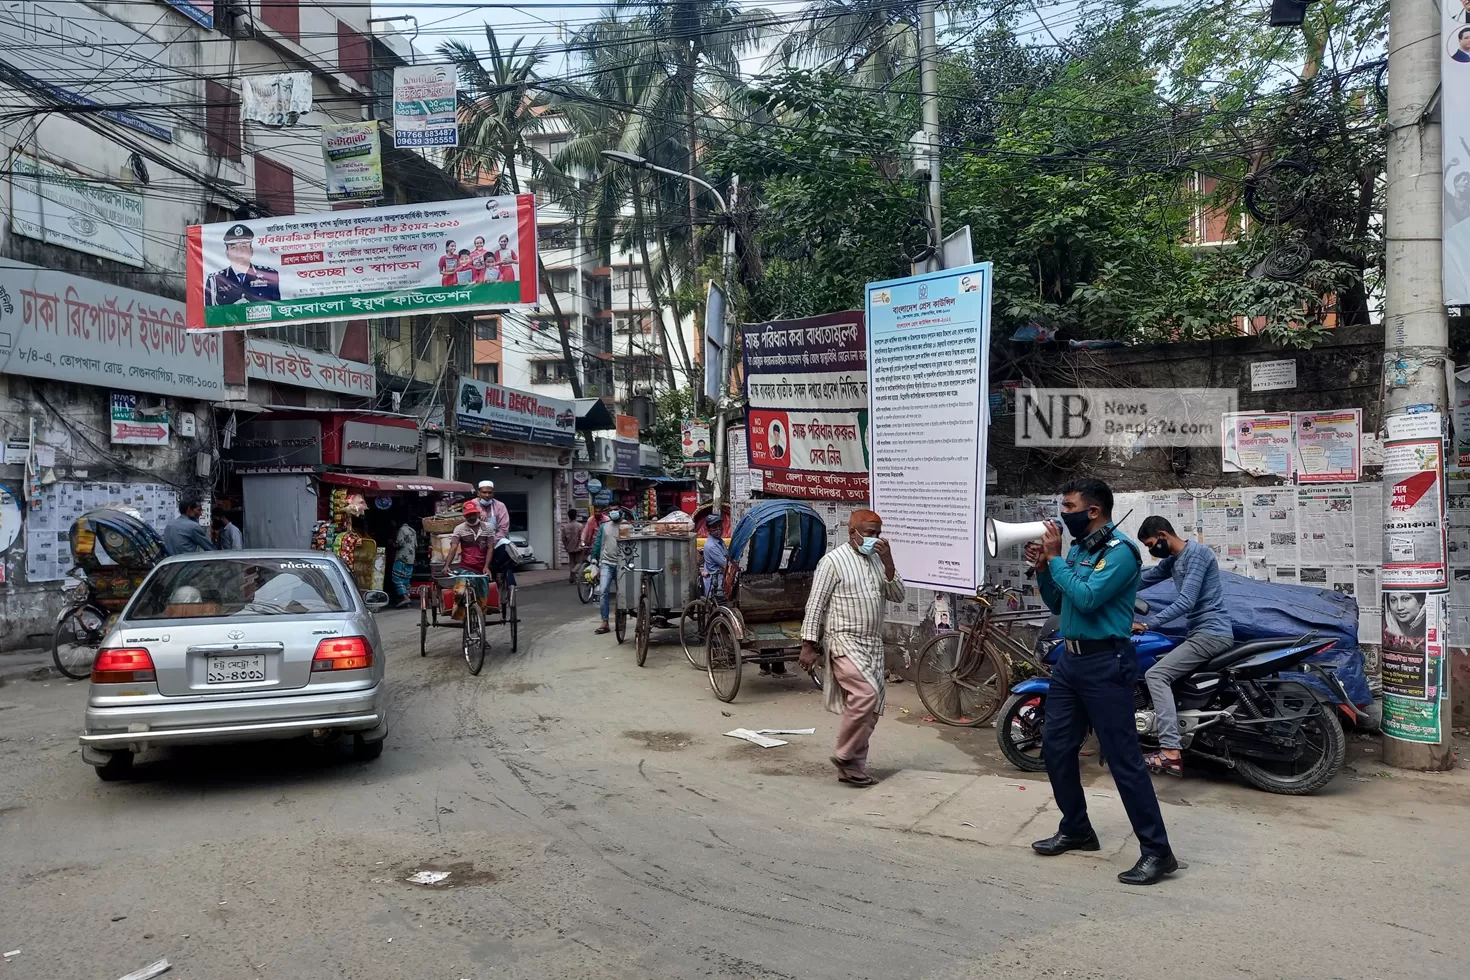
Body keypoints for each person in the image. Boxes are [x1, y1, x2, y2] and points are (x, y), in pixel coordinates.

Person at [1025, 478, 1176, 886]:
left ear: (1093, 511)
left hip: (1105, 663)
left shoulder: (1121, 552)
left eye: (1069, 505)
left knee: (1123, 760)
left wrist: (1054, 559)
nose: (1063, 512)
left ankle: (1158, 852)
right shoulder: (1078, 550)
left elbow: (1089, 598)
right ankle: (1077, 828)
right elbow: (1061, 603)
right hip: (1070, 664)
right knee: (1055, 749)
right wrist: (1044, 570)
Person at [798, 510, 906, 787]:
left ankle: (853, 768)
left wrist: (889, 562)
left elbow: (897, 595)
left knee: (871, 709)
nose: (873, 539)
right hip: (844, 640)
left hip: (872, 643)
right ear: (852, 532)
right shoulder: (832, 562)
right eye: (869, 533)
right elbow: (815, 604)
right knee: (866, 693)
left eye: (877, 534)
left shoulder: (878, 561)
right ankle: (844, 754)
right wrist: (808, 644)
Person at [1134, 516, 1234, 776]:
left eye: (1151, 544)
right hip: (1200, 632)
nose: (1150, 550)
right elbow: (1145, 579)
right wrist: (1109, 587)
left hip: (1211, 633)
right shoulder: (1174, 561)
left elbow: (1186, 601)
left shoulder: (1197, 554)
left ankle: (1170, 751)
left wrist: (1148, 624)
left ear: (1164, 535)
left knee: (1156, 674)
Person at [205, 224, 281, 305]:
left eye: (244, 246)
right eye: (233, 248)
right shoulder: (215, 280)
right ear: (227, 253)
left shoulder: (269, 275)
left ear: (251, 251)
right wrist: (232, 309)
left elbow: (276, 309)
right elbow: (211, 314)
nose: (239, 252)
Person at [593, 508, 625, 634]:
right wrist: (594, 558)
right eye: (611, 510)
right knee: (603, 591)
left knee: (622, 593)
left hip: (622, 564)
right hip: (606, 563)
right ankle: (605, 621)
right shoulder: (604, 527)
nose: (613, 512)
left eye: (615, 510)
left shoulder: (627, 526)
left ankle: (621, 618)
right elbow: (598, 543)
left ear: (620, 511)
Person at [392, 520, 419, 609]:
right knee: (406, 579)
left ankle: (405, 597)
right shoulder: (413, 531)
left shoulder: (401, 530)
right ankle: (407, 597)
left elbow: (399, 543)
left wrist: (392, 544)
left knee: (397, 577)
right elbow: (415, 545)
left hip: (402, 557)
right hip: (411, 557)